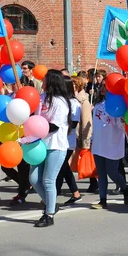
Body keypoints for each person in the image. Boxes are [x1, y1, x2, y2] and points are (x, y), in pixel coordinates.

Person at [30, 70, 72, 227]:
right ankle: (51, 204)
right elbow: (33, 117)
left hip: (55, 146)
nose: (43, 82)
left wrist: (36, 126)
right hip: (39, 145)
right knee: (34, 179)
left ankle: (49, 215)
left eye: (45, 79)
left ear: (52, 81)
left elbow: (54, 126)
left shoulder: (60, 102)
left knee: (48, 180)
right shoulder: (40, 99)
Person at [90, 83, 128, 210]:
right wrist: (92, 139)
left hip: (112, 143)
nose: (103, 89)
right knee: (101, 173)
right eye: (102, 87)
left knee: (112, 172)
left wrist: (122, 119)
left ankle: (124, 188)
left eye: (106, 88)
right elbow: (95, 125)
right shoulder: (97, 105)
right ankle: (103, 200)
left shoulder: (118, 105)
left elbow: (121, 126)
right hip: (98, 143)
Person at [56, 77, 83, 205]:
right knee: (61, 166)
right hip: (60, 139)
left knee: (62, 165)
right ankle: (68, 192)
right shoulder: (62, 101)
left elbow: (74, 123)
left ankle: (75, 192)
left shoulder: (74, 103)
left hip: (67, 141)